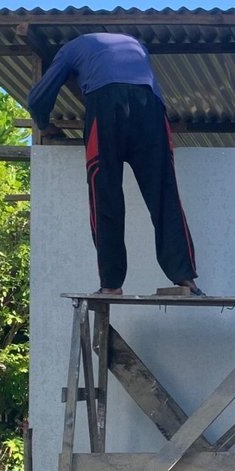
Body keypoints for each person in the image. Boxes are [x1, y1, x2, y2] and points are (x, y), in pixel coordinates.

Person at [26, 33, 204, 296]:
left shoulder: (69, 49)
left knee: (105, 194)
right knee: (165, 194)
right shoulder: (134, 44)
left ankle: (111, 284)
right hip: (151, 107)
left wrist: (43, 125)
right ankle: (185, 276)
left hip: (106, 104)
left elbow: (38, 98)